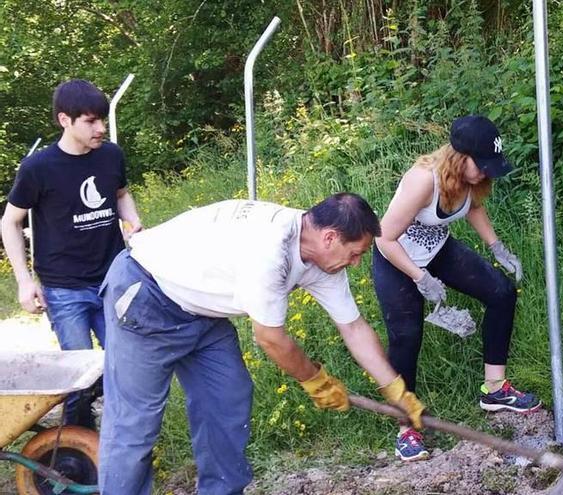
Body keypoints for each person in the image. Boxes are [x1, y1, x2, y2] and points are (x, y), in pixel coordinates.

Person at [98, 194, 424, 495]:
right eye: (355, 254)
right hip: (146, 295)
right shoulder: (271, 250)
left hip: (200, 312)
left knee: (228, 397)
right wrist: (316, 381)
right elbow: (270, 339)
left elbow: (353, 327)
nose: (355, 263)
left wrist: (395, 389)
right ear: (330, 238)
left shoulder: (323, 259)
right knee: (134, 424)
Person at [372, 115, 541, 462]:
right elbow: (384, 236)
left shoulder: (469, 178)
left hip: (436, 250)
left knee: (501, 292)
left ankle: (495, 390)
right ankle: (408, 426)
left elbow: (473, 208)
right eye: (483, 165)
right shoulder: (424, 180)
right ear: (459, 156)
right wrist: (420, 279)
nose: (486, 173)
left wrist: (497, 247)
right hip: (396, 258)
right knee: (406, 335)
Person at [0, 79, 142, 428]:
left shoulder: (111, 156)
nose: (101, 128)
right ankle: (76, 449)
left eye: (102, 120)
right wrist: (24, 281)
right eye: (91, 121)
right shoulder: (38, 168)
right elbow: (9, 222)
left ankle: (123, 435)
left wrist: (133, 221)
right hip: (65, 291)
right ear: (65, 120)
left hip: (113, 280)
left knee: (126, 364)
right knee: (78, 374)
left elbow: (121, 194)